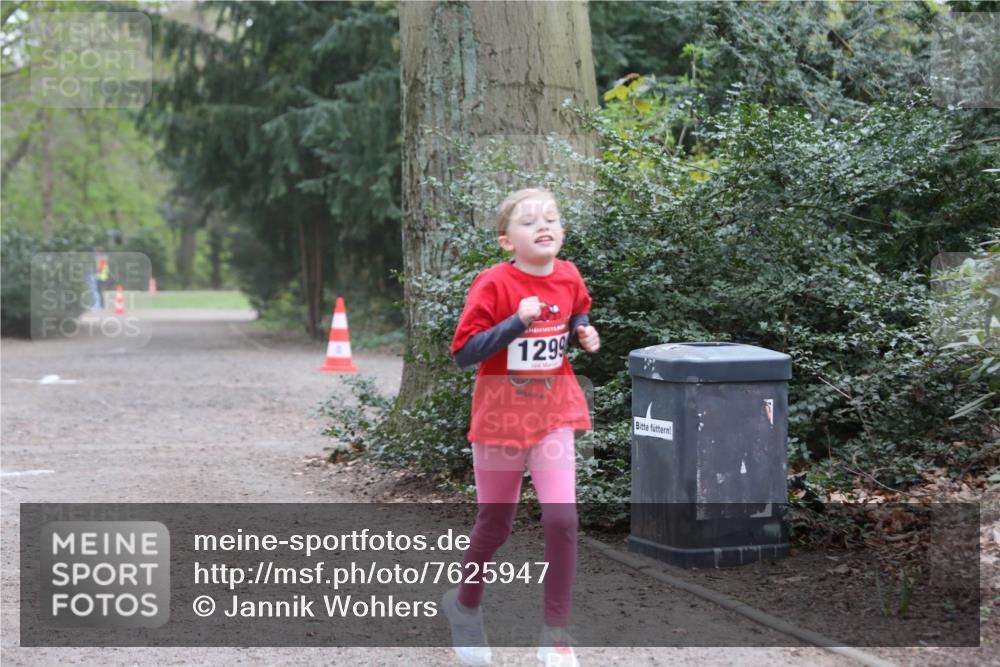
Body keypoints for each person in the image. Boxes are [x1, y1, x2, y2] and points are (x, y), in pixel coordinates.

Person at [443, 187, 600, 667]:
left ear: (562, 232)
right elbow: (464, 353)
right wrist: (516, 321)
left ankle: (555, 634)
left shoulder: (569, 274)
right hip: (499, 418)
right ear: (506, 240)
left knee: (562, 519)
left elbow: (577, 309)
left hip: (554, 413)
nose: (543, 226)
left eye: (551, 218)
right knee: (496, 524)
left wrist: (583, 331)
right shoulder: (492, 284)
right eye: (529, 221)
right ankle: (465, 607)